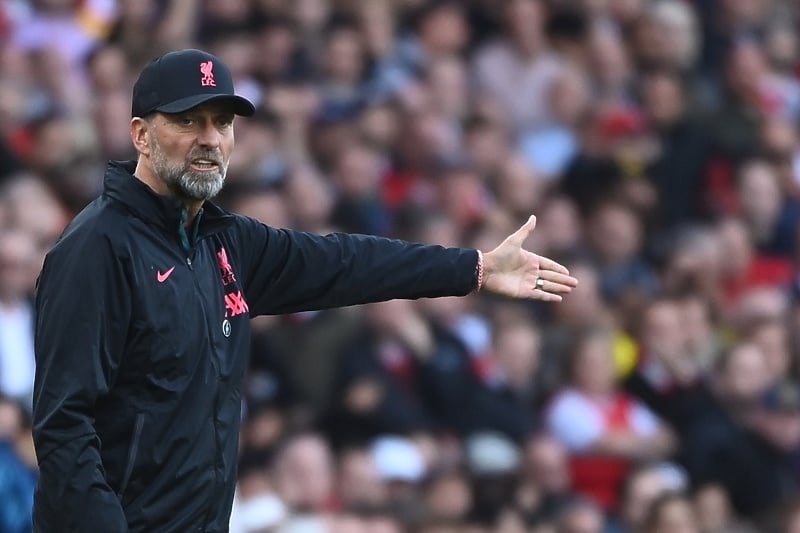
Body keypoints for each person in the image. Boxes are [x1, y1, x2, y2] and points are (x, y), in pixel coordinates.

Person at [31, 49, 578, 532]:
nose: (210, 139)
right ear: (141, 135)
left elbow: (348, 263)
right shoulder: (98, 247)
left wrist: (473, 268)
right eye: (188, 120)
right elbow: (65, 425)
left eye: (221, 123)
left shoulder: (225, 243)